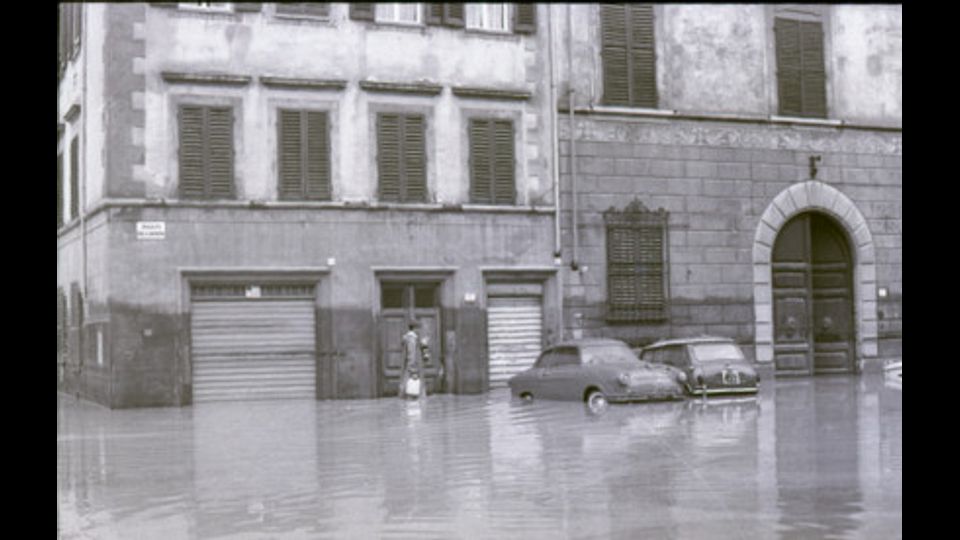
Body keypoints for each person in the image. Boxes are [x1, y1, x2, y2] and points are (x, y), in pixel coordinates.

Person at [399, 320, 430, 399]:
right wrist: (413, 370)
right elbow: (411, 355)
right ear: (415, 328)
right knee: (413, 389)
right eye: (419, 328)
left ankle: (405, 400)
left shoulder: (409, 338)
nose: (420, 330)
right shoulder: (412, 339)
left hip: (409, 366)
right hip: (414, 366)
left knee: (407, 385)